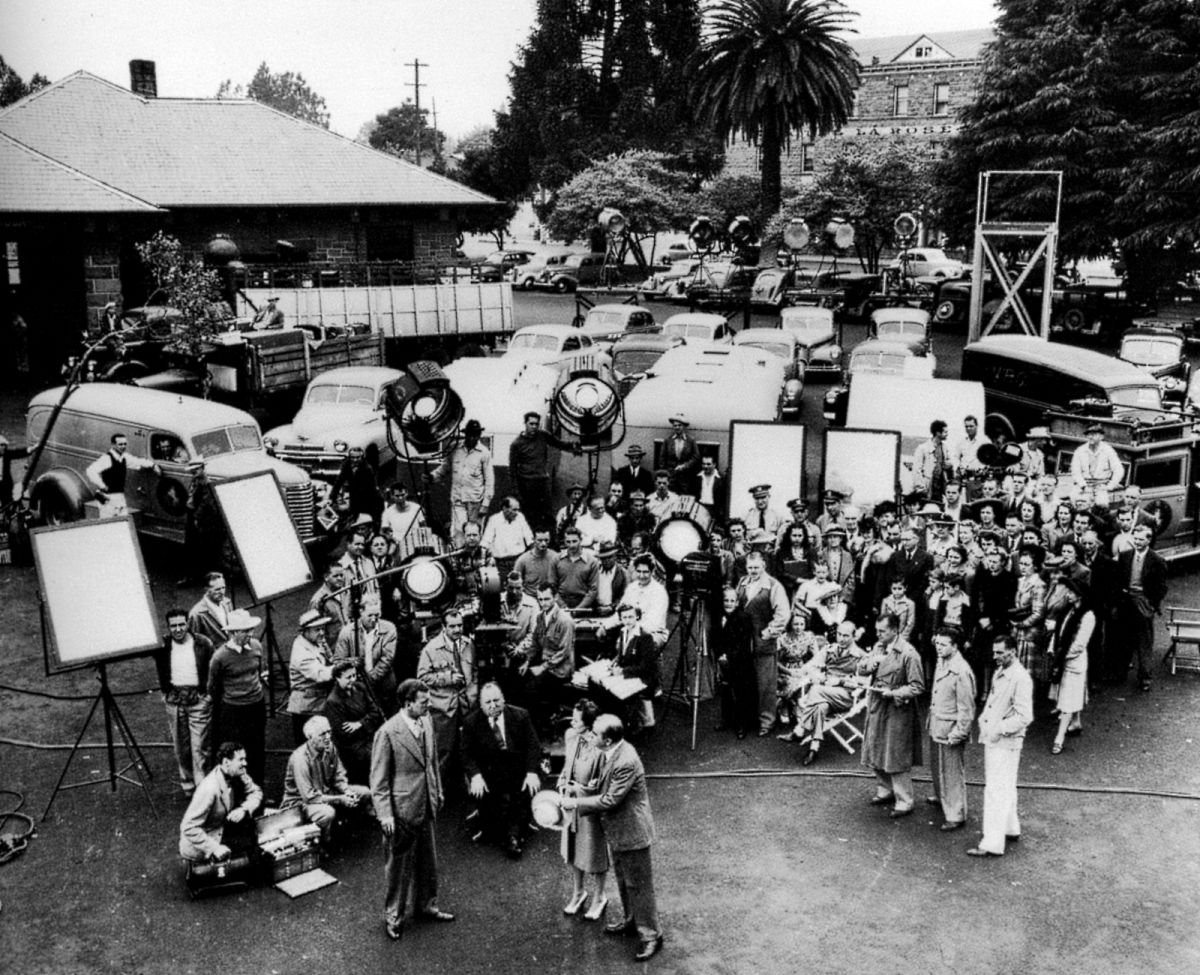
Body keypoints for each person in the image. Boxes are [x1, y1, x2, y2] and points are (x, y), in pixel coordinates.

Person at [560, 714, 663, 962]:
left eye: (595, 734)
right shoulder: (612, 751)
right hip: (619, 831)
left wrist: (575, 801)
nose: (590, 736)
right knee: (625, 881)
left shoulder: (624, 760)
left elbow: (609, 800)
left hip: (632, 832)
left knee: (639, 886)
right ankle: (631, 922)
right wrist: (582, 788)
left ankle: (651, 936)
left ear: (606, 740)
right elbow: (602, 786)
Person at [370, 679, 456, 940]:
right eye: (423, 701)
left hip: (426, 803)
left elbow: (431, 764)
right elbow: (379, 781)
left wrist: (438, 791)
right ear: (408, 703)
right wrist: (385, 814)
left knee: (428, 862)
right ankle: (393, 916)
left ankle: (427, 905)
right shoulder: (387, 733)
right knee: (399, 868)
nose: (429, 705)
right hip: (402, 812)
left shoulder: (426, 722)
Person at [459, 682, 542, 859]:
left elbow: (533, 746)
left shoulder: (521, 715)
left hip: (516, 769)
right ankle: (496, 826)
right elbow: (466, 754)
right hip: (489, 771)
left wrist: (532, 772)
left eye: (496, 700)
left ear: (503, 700)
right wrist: (475, 776)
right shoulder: (471, 722)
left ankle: (513, 837)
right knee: (491, 807)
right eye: (487, 702)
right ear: (481, 705)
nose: (493, 705)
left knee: (521, 794)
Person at [968, 634, 1033, 857]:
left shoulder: (1020, 678)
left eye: (999, 652)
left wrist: (998, 728)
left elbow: (1025, 716)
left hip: (1005, 742)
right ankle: (1010, 827)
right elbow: (995, 701)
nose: (995, 656)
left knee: (996, 790)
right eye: (994, 651)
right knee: (1005, 786)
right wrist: (985, 719)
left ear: (1012, 652)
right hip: (998, 739)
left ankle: (991, 843)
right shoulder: (1002, 671)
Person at [857, 612, 926, 818]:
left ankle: (905, 800)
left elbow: (917, 686)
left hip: (897, 710)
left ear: (895, 630)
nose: (878, 635)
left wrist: (895, 693)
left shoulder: (908, 653)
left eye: (882, 631)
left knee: (896, 753)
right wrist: (868, 666)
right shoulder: (878, 647)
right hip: (877, 706)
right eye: (877, 630)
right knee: (875, 747)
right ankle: (885, 789)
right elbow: (860, 668)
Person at [781, 620, 866, 765]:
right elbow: (809, 666)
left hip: (844, 696)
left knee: (815, 689)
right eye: (839, 634)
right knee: (820, 706)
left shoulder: (861, 656)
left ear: (853, 636)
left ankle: (800, 729)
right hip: (823, 694)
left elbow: (864, 682)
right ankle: (814, 747)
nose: (841, 638)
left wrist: (841, 681)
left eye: (846, 636)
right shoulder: (829, 649)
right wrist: (817, 676)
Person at [557, 699, 610, 920]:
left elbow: (599, 784)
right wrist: (561, 783)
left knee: (595, 851)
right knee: (572, 849)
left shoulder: (599, 747)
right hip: (570, 802)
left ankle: (599, 896)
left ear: (588, 725)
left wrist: (580, 791)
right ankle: (578, 891)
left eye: (577, 719)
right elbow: (566, 766)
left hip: (589, 805)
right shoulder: (571, 736)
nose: (572, 722)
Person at [281, 715, 371, 843]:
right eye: (322, 734)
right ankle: (323, 843)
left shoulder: (330, 748)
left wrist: (347, 791)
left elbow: (339, 776)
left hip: (326, 793)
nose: (328, 737)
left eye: (329, 732)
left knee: (364, 792)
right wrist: (340, 799)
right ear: (310, 737)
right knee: (326, 813)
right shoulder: (300, 759)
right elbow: (309, 797)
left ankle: (346, 829)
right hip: (301, 803)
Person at [155, 608, 215, 794]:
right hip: (174, 701)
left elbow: (213, 669)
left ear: (188, 623)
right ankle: (187, 784)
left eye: (182, 624)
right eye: (173, 626)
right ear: (168, 627)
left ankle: (202, 788)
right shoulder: (162, 646)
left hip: (198, 700)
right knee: (181, 747)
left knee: (200, 747)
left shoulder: (203, 643)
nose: (178, 629)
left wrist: (207, 695)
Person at [207, 609, 267, 786]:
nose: (251, 634)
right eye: (245, 631)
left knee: (257, 749)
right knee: (236, 753)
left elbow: (258, 671)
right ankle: (239, 792)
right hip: (233, 712)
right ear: (233, 633)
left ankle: (258, 789)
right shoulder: (220, 657)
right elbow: (212, 687)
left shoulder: (256, 646)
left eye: (251, 629)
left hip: (256, 705)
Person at [179, 740, 263, 863]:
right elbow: (188, 827)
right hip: (203, 843)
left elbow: (256, 792)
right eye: (240, 760)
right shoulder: (209, 788)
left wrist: (244, 809)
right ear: (226, 762)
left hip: (221, 826)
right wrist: (214, 848)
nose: (245, 763)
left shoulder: (239, 773)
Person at [927, 627, 977, 832]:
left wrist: (959, 733)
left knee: (952, 772)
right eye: (937, 643)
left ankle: (956, 814)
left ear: (955, 646)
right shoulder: (942, 661)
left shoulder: (961, 671)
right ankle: (942, 797)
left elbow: (967, 708)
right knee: (937, 766)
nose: (938, 647)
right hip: (938, 723)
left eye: (944, 644)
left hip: (950, 728)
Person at [736, 550, 791, 736]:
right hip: (744, 641)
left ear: (764, 566)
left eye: (756, 567)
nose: (753, 571)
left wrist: (768, 632)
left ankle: (767, 721)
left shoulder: (774, 585)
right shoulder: (742, 583)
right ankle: (749, 718)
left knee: (766, 684)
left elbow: (783, 614)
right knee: (747, 681)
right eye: (750, 567)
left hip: (763, 642)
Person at [417, 610, 477, 776]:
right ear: (444, 627)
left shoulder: (468, 644)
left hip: (466, 705)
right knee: (445, 751)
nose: (457, 630)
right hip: (443, 708)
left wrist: (473, 691)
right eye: (452, 626)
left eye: (460, 625)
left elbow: (475, 671)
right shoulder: (431, 649)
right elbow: (422, 678)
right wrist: (447, 678)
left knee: (468, 748)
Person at [1113, 525, 1168, 692]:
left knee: (1144, 641)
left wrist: (1151, 604)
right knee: (1123, 639)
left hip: (1143, 602)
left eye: (1141, 539)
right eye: (1135, 539)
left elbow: (1161, 587)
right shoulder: (1125, 556)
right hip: (1126, 600)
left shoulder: (1157, 560)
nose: (1137, 542)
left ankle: (1145, 677)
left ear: (1149, 540)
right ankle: (1120, 673)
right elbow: (1118, 580)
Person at [515, 585, 576, 732]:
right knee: (516, 679)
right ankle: (528, 723)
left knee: (531, 689)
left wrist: (542, 668)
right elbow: (535, 643)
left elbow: (564, 652)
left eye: (547, 599)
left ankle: (538, 727)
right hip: (545, 663)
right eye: (540, 599)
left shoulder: (565, 620)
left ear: (555, 598)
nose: (543, 603)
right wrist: (527, 661)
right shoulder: (540, 617)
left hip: (560, 669)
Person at [1048, 577, 1094, 754]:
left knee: (1067, 700)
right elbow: (1059, 631)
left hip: (1074, 661)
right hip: (1063, 658)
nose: (1068, 594)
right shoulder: (1068, 610)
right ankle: (1075, 723)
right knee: (1071, 694)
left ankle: (1059, 738)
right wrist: (1054, 648)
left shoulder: (1088, 615)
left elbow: (1080, 644)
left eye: (1071, 592)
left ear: (1079, 595)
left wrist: (1062, 656)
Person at [432, 418, 494, 545]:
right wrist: (432, 476)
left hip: (476, 501)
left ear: (479, 435)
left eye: (476, 434)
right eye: (470, 434)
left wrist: (486, 504)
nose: (472, 438)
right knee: (458, 532)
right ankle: (458, 559)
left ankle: (474, 560)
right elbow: (445, 468)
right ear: (466, 434)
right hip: (458, 498)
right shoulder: (455, 449)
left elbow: (489, 480)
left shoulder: (484, 453)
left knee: (474, 533)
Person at [334, 596, 399, 715]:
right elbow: (339, 661)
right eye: (370, 615)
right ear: (361, 612)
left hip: (384, 685)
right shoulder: (347, 632)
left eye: (377, 615)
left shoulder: (389, 628)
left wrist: (370, 680)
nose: (374, 619)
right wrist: (351, 663)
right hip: (357, 687)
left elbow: (387, 659)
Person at [323, 660, 385, 784]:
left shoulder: (359, 688)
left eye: (354, 675)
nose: (353, 679)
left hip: (368, 737)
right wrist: (368, 722)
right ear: (337, 678)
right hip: (352, 747)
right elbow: (344, 733)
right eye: (348, 677)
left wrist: (360, 723)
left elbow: (376, 712)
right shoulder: (333, 702)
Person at [597, 556, 669, 647]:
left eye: (645, 572)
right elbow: (620, 612)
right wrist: (604, 626)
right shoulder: (632, 588)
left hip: (654, 633)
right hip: (631, 628)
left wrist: (629, 636)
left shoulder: (659, 592)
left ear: (652, 572)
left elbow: (652, 623)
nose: (642, 576)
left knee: (635, 646)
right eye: (639, 571)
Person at [287, 608, 336, 743]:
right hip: (306, 708)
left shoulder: (316, 641)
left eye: (322, 628)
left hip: (318, 701)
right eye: (317, 630)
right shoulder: (301, 652)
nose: (322, 633)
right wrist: (340, 667)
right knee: (309, 747)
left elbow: (330, 659)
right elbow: (320, 674)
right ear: (305, 631)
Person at [715, 587, 757, 739]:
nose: (729, 603)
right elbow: (716, 638)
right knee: (725, 690)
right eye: (726, 600)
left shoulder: (743, 617)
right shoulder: (719, 616)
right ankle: (726, 719)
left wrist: (729, 656)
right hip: (724, 660)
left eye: (732, 600)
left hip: (740, 661)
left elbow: (743, 643)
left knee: (741, 694)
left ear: (737, 602)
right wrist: (720, 655)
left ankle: (742, 725)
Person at [508, 411, 560, 531]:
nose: (534, 427)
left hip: (542, 482)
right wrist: (516, 490)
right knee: (530, 516)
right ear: (525, 423)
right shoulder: (517, 444)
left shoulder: (543, 436)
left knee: (548, 514)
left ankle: (552, 542)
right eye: (531, 424)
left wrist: (574, 447)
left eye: (536, 424)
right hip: (526, 484)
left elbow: (558, 443)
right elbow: (512, 469)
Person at [84, 431, 160, 512]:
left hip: (119, 496)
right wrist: (102, 485)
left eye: (125, 444)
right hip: (107, 496)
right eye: (120, 444)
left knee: (122, 519)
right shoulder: (107, 458)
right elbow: (90, 471)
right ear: (113, 445)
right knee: (111, 521)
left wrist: (153, 465)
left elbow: (137, 461)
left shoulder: (124, 457)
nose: (123, 446)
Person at [1069, 422, 1124, 506]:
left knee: (1102, 503)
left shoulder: (1108, 450)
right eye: (1089, 434)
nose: (1090, 437)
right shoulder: (1080, 451)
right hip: (1084, 484)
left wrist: (1109, 486)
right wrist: (1083, 485)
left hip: (1101, 485)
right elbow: (1075, 471)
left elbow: (1119, 470)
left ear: (1101, 437)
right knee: (1074, 498)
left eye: (1094, 434)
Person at [481, 496, 534, 577]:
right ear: (504, 508)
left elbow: (529, 538)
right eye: (514, 510)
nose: (517, 512)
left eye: (518, 509)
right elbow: (486, 542)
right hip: (500, 563)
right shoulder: (494, 520)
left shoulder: (520, 517)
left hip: (518, 560)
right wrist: (483, 561)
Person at [331, 446, 383, 527]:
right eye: (352, 457)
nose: (355, 460)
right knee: (355, 519)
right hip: (354, 495)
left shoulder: (367, 469)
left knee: (370, 521)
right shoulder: (346, 465)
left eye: (357, 457)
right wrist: (332, 497)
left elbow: (370, 488)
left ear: (362, 457)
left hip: (369, 499)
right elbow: (339, 481)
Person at [550, 526, 599, 610]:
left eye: (574, 541)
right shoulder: (556, 559)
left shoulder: (592, 561)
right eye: (568, 542)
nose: (571, 545)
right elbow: (552, 586)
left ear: (581, 540)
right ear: (564, 542)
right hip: (561, 604)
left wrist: (579, 608)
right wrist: (562, 606)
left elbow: (593, 590)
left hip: (583, 604)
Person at [187, 572, 232, 647]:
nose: (222, 592)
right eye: (217, 589)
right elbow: (195, 642)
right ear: (206, 590)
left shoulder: (227, 603)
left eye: (223, 587)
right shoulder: (197, 613)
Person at [912, 420, 953, 500]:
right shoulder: (922, 448)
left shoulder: (944, 448)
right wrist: (920, 488)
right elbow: (916, 470)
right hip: (927, 488)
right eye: (945, 432)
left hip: (940, 489)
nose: (947, 434)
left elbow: (947, 465)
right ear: (938, 433)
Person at [661, 413, 701, 492]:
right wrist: (666, 473)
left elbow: (696, 457)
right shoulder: (668, 440)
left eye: (679, 425)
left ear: (684, 426)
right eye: (675, 425)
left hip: (685, 477)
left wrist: (684, 466)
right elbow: (662, 458)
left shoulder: (691, 440)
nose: (677, 427)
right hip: (671, 477)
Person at [743, 484, 787, 549]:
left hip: (771, 551)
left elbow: (783, 537)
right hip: (752, 551)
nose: (760, 501)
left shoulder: (778, 517)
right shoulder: (746, 517)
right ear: (754, 499)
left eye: (763, 497)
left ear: (769, 497)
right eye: (757, 498)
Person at [594, 541, 628, 616]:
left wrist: (611, 607)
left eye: (609, 557)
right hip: (596, 611)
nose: (606, 561)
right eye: (603, 558)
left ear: (615, 556)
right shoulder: (595, 572)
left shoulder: (622, 574)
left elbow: (624, 595)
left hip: (615, 612)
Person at [691, 454, 726, 519]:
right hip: (699, 509)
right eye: (703, 464)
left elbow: (723, 498)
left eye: (708, 464)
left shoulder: (721, 479)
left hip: (714, 511)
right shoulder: (696, 478)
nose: (705, 466)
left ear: (714, 464)